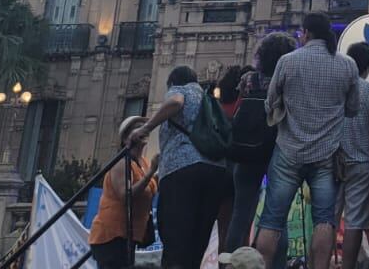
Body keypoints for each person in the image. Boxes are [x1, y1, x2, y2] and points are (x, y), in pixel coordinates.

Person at [254, 12, 363, 269]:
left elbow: (270, 103)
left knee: (272, 219)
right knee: (324, 219)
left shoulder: (287, 62)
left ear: (307, 33)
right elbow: (353, 108)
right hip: (326, 155)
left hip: (288, 152)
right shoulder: (347, 65)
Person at [129, 65, 233, 269]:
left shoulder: (181, 89)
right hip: (215, 172)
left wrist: (146, 128)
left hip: (181, 171)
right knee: (197, 240)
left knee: (176, 239)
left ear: (173, 82)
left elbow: (176, 102)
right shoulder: (210, 100)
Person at [224, 33, 297, 253]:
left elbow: (238, 108)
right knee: (277, 217)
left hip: (246, 151)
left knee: (240, 214)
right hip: (276, 150)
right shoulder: (287, 81)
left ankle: (232, 264)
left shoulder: (247, 79)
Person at [91, 116, 159, 269]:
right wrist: (150, 174)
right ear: (126, 137)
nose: (143, 128)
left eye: (144, 126)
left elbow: (151, 189)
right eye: (137, 126)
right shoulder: (121, 162)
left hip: (130, 234)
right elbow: (125, 195)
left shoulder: (144, 163)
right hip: (112, 235)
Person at [339, 42, 369, 269]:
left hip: (333, 159)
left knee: (326, 217)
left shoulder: (336, 86)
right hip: (363, 160)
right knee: (355, 221)